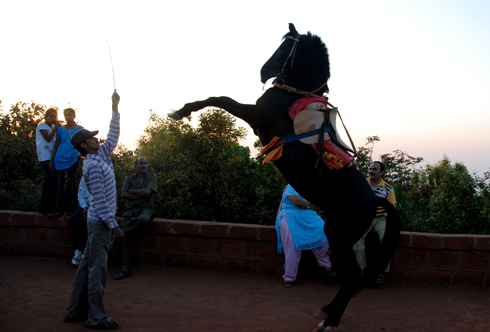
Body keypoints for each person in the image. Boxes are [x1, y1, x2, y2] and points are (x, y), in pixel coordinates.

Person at [63, 90, 125, 330]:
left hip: (98, 224)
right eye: (91, 137)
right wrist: (114, 226)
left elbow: (113, 135)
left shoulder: (101, 155)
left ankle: (74, 311)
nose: (96, 138)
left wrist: (115, 107)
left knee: (85, 267)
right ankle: (96, 317)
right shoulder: (93, 167)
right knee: (97, 271)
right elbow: (99, 201)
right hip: (100, 225)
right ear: (84, 145)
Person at [275, 184, 332, 288]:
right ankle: (289, 277)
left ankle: (327, 265)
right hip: (290, 216)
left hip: (309, 217)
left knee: (324, 232)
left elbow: (321, 205)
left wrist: (308, 205)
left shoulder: (310, 187)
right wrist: (310, 205)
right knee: (292, 243)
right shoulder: (292, 186)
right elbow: (297, 202)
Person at [113, 157, 157, 280]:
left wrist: (131, 191)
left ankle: (115, 238)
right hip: (130, 211)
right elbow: (123, 194)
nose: (144, 165)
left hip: (146, 210)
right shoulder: (129, 178)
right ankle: (125, 269)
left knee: (141, 220)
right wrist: (139, 194)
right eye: (141, 163)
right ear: (136, 166)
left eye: (146, 163)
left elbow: (147, 193)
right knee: (124, 237)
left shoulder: (152, 177)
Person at [353, 161, 397, 285]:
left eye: (375, 169)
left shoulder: (388, 189)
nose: (371, 171)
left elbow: (392, 208)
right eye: (370, 168)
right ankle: (361, 271)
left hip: (380, 219)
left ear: (382, 173)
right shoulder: (362, 184)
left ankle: (381, 272)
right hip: (364, 218)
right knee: (356, 239)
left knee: (387, 240)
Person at [50, 108, 84, 215]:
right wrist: (51, 161)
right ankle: (60, 208)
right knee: (59, 185)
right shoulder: (60, 129)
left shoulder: (80, 129)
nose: (68, 117)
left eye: (70, 115)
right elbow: (56, 145)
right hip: (59, 158)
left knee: (71, 185)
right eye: (66, 115)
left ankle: (70, 209)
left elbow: (83, 144)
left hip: (73, 159)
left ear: (74, 116)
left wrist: (81, 155)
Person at [36, 108, 61, 216]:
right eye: (50, 116)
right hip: (44, 156)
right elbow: (48, 138)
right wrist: (56, 127)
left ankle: (46, 207)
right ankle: (46, 208)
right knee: (51, 181)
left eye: (54, 117)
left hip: (51, 157)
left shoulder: (51, 127)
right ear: (45, 116)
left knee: (50, 182)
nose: (52, 119)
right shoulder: (42, 125)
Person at [67, 176, 91, 266]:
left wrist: (90, 210)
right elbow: (81, 195)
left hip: (97, 207)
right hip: (84, 206)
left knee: (89, 221)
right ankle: (77, 249)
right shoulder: (84, 178)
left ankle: (81, 251)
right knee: (73, 219)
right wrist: (85, 207)